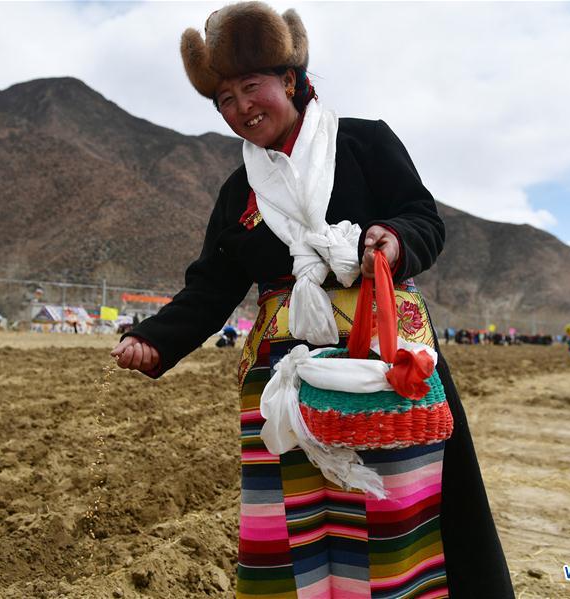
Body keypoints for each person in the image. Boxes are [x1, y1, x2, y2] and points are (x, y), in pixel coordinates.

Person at [111, 3, 513, 597]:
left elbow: (423, 218)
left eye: (252, 86)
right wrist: (154, 339)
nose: (241, 107)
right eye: (224, 99)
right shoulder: (239, 193)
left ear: (290, 81)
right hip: (285, 380)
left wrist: (394, 239)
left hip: (384, 363)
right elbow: (211, 287)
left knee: (396, 513)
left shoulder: (364, 142)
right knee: (299, 524)